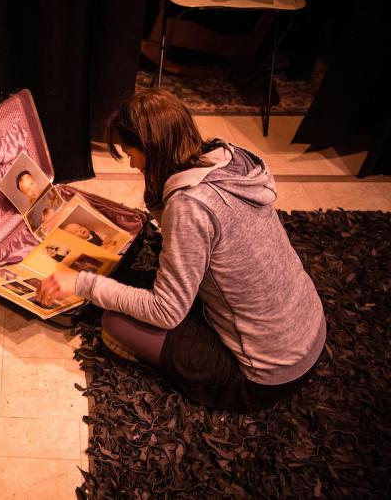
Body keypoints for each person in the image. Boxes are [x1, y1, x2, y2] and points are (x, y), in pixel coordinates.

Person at [37, 88, 325, 412]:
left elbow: (166, 311)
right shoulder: (230, 158)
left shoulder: (191, 206)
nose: (132, 164)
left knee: (115, 323)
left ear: (152, 149)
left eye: (130, 151)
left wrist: (81, 283)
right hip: (309, 332)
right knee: (136, 285)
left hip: (264, 376)